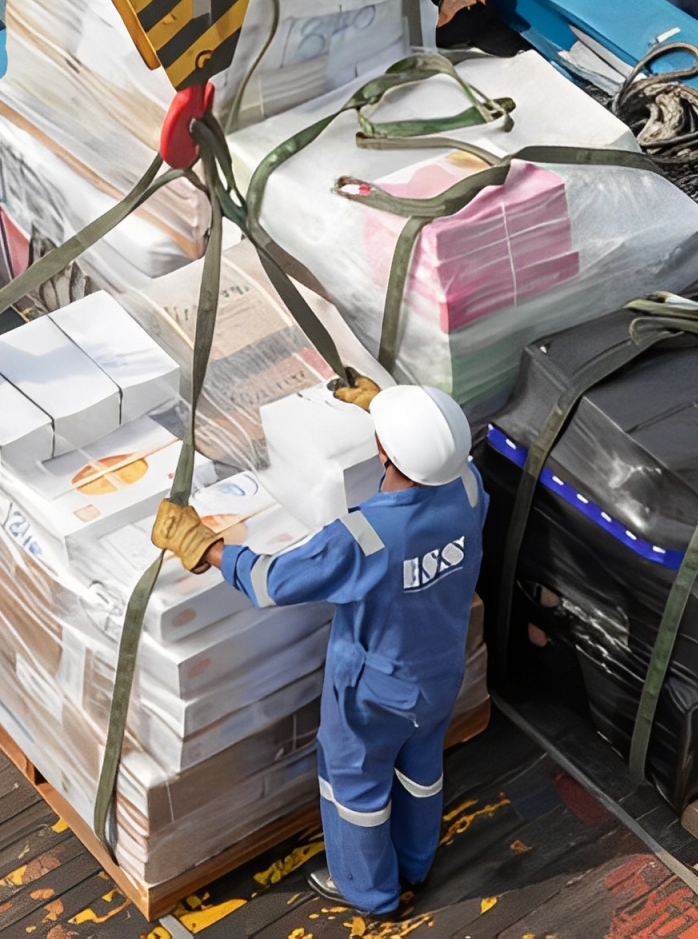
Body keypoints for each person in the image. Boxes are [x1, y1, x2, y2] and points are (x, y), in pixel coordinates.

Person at [151, 375, 487, 916]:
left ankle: (369, 892)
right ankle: (415, 864)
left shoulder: (365, 536)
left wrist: (205, 547)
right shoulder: (468, 487)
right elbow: (436, 467)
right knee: (421, 766)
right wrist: (387, 412)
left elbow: (270, 581)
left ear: (384, 450)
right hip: (440, 670)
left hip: (373, 694)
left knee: (355, 788)